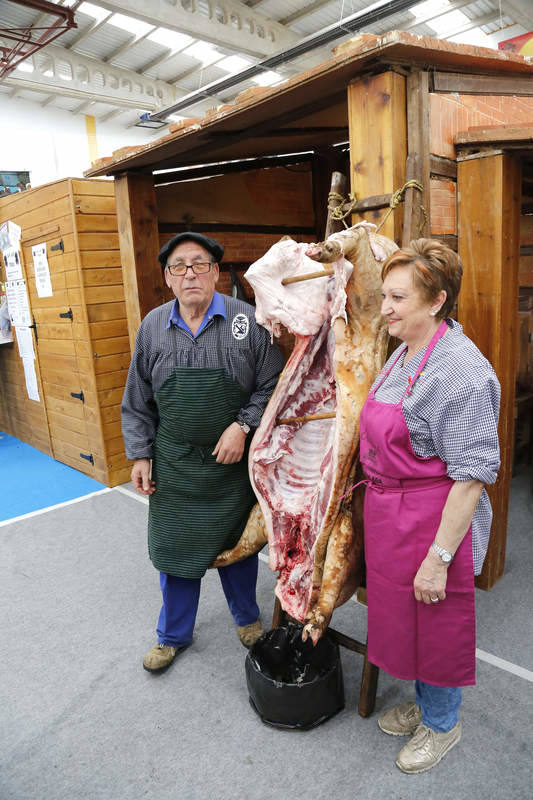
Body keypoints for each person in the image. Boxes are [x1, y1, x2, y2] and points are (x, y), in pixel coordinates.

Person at [358, 238, 500, 773]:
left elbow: (471, 479)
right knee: (403, 617)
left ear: (437, 300)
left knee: (435, 623)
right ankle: (424, 704)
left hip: (434, 519)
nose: (385, 308)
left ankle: (442, 724)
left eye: (397, 298)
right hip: (391, 514)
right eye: (385, 296)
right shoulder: (405, 350)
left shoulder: (461, 372)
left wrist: (439, 557)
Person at [121, 232, 283, 674]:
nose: (189, 273)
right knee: (174, 552)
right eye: (179, 266)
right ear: (167, 279)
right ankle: (172, 635)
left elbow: (274, 385)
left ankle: (247, 618)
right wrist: (139, 455)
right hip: (174, 464)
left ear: (216, 272)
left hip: (231, 465)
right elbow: (137, 399)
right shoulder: (153, 326)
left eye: (199, 264)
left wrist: (243, 425)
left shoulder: (247, 321)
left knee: (239, 547)